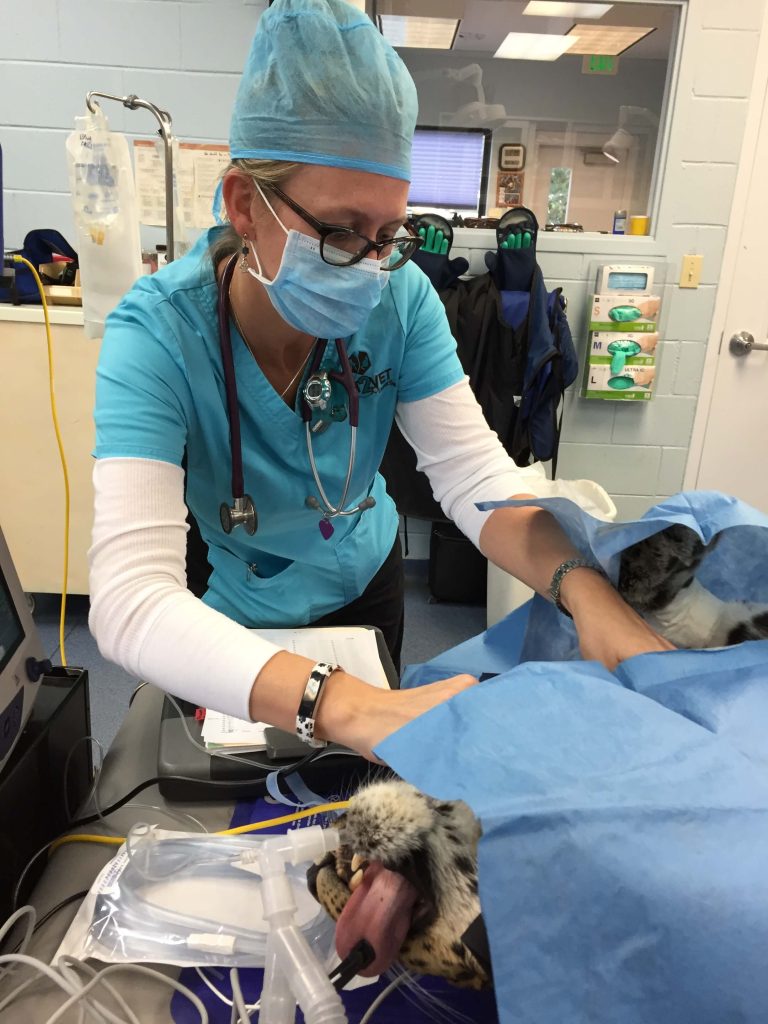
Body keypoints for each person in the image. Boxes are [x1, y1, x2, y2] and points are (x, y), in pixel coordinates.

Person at [88, 0, 672, 762]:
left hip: (368, 587)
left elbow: (473, 476)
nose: (369, 264)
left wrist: (584, 587)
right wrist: (341, 704)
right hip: (236, 615)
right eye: (339, 232)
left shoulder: (401, 298)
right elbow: (132, 600)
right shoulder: (158, 336)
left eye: (388, 235)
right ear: (244, 205)